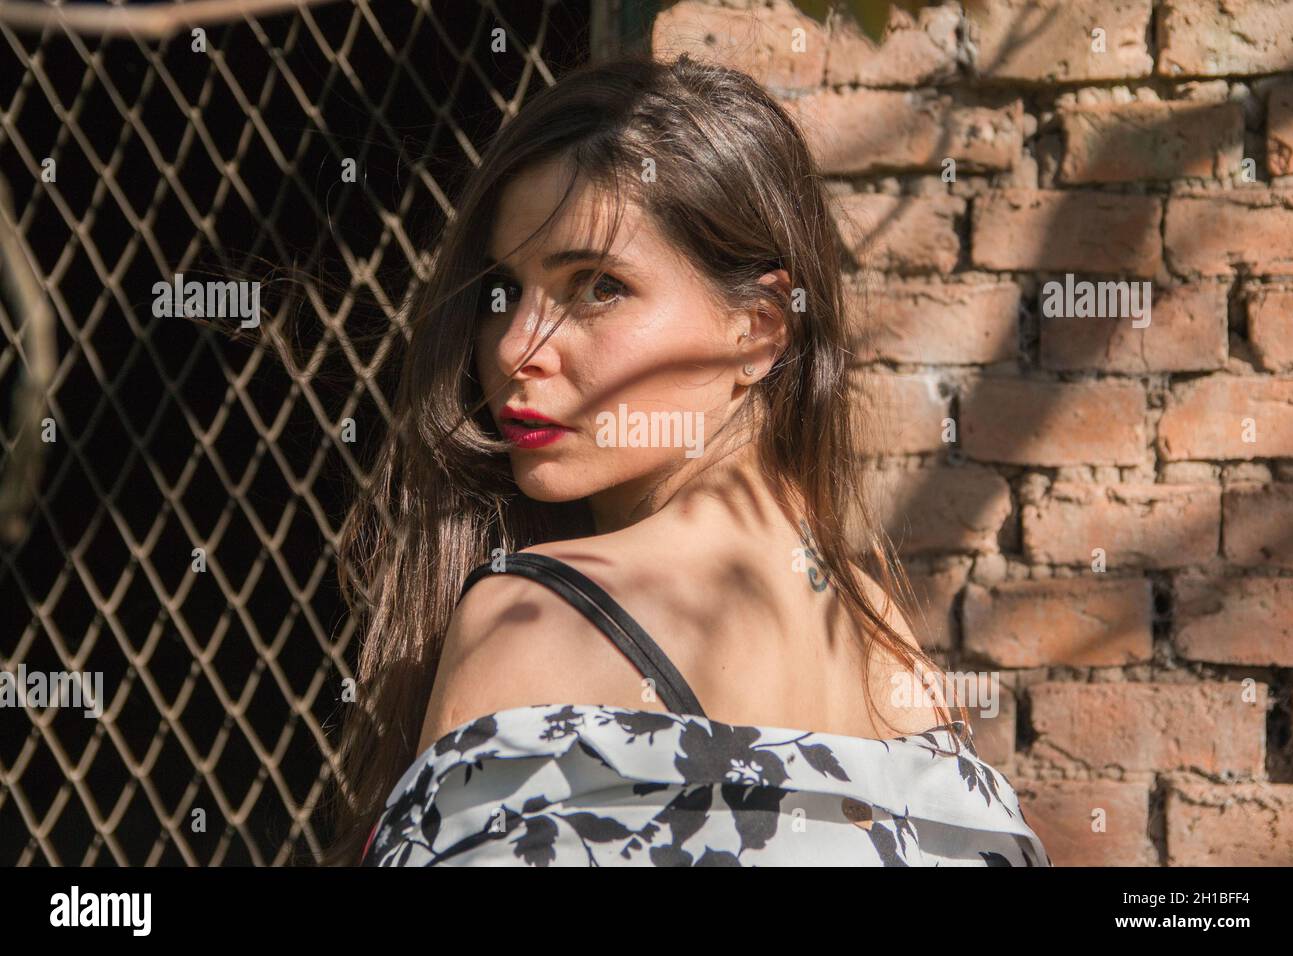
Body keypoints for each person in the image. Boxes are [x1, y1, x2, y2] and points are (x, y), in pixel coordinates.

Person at [323, 52, 1050, 866]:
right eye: (505, 291)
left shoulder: (537, 617)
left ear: (761, 326)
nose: (518, 346)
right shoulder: (894, 652)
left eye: (597, 287)